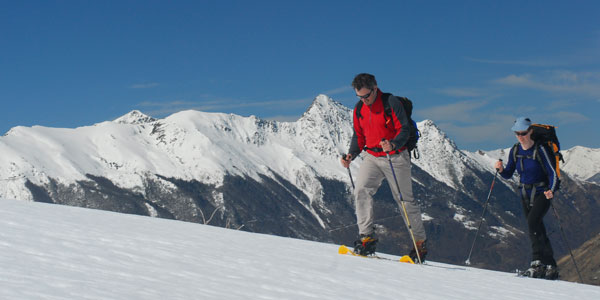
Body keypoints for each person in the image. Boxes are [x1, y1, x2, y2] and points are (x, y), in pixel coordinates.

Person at [340, 73, 427, 262]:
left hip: (395, 156)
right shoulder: (359, 110)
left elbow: (404, 128)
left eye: (367, 96)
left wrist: (393, 144)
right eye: (360, 97)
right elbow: (359, 136)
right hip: (371, 156)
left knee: (404, 200)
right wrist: (351, 154)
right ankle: (366, 238)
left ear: (375, 88)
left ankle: (419, 243)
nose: (364, 100)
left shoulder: (391, 102)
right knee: (361, 190)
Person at [495, 117, 559, 280]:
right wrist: (501, 170)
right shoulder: (515, 150)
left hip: (543, 192)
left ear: (530, 131)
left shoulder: (541, 149)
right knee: (537, 227)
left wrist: (551, 190)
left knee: (532, 224)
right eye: (517, 133)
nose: (520, 136)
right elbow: (509, 173)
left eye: (523, 133)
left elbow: (552, 172)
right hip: (524, 193)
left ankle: (537, 262)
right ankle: (550, 265)